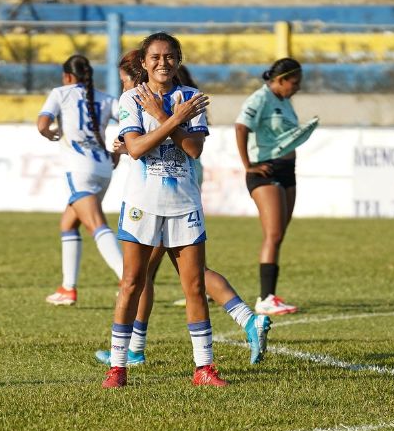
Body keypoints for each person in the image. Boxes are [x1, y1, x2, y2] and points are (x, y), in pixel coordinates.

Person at [95, 53, 270, 368]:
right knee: (167, 273)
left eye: (124, 79)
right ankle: (138, 346)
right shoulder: (149, 100)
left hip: (172, 187)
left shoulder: (151, 98)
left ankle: (135, 349)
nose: (124, 85)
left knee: (160, 275)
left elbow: (174, 143)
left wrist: (155, 126)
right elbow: (137, 143)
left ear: (139, 74)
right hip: (174, 180)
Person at [103, 32, 223, 388]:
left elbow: (194, 150)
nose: (162, 63)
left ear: (179, 60)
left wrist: (168, 117)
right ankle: (118, 366)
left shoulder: (191, 98)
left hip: (184, 204)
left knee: (195, 286)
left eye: (169, 56)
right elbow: (135, 148)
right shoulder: (132, 98)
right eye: (154, 57)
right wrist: (169, 118)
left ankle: (204, 367)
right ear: (143, 62)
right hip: (143, 204)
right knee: (131, 283)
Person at [37, 55, 122, 306]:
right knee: (68, 223)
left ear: (67, 76)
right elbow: (130, 123)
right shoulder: (106, 98)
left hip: (79, 169)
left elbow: (42, 123)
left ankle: (128, 277)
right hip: (104, 167)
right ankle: (67, 288)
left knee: (95, 224)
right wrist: (117, 152)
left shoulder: (61, 93)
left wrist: (50, 133)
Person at [235, 58, 318, 316]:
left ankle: (270, 294)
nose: (297, 88)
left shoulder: (284, 101)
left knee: (279, 233)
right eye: (294, 83)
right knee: (273, 234)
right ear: (280, 80)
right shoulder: (260, 99)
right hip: (265, 170)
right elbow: (240, 127)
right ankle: (265, 298)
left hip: (286, 171)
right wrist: (248, 165)